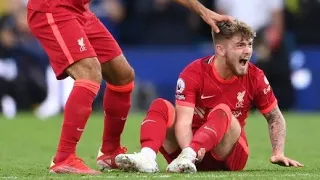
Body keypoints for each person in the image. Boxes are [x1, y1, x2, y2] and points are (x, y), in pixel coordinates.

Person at [26, 0, 232, 175]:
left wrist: (202, 10)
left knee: (122, 76)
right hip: (53, 7)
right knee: (89, 73)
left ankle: (109, 152)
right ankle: (63, 158)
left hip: (80, 11)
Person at [115, 20, 303, 173]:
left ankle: (188, 156)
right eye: (240, 45)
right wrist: (189, 153)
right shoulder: (194, 73)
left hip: (228, 153)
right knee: (160, 105)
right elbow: (183, 123)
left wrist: (278, 152)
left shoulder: (255, 76)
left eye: (250, 44)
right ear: (220, 49)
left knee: (222, 111)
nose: (248, 51)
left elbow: (274, 117)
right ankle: (147, 157)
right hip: (187, 151)